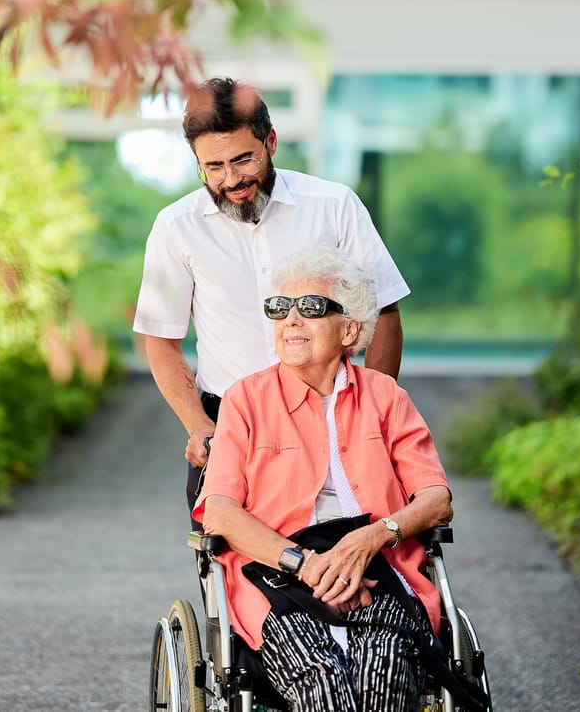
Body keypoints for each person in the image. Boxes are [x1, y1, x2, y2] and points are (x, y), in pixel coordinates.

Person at [133, 77, 410, 514]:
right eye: (214, 167)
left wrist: (374, 414)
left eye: (243, 159)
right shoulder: (175, 227)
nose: (232, 179)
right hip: (229, 424)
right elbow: (161, 339)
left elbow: (384, 312)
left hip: (332, 412)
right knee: (235, 562)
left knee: (355, 545)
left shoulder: (334, 205)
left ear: (271, 142)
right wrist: (200, 426)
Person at [193, 246, 452, 712]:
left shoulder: (386, 397)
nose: (290, 320)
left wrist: (376, 536)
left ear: (349, 329)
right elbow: (220, 511)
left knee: (386, 673)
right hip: (278, 570)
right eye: (279, 309)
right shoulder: (245, 400)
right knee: (322, 681)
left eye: (310, 308)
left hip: (379, 567)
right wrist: (308, 566)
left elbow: (435, 497)